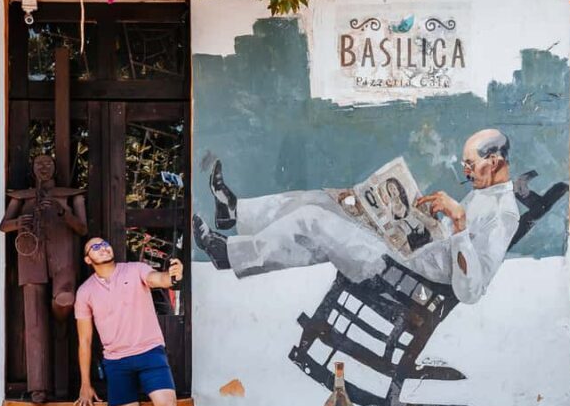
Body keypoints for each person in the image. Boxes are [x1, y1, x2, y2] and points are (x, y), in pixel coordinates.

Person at [193, 128, 520, 304]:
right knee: (332, 199)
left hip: (400, 275)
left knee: (313, 219)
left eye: (470, 164)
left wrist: (459, 223)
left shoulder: (503, 214)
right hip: (402, 252)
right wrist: (418, 215)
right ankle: (236, 212)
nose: (465, 171)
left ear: (493, 162)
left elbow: (471, 292)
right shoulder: (483, 193)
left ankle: (229, 255)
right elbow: (445, 241)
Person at [73, 237, 183, 406]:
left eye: (105, 244)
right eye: (95, 247)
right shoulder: (85, 292)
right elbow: (85, 341)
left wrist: (173, 275)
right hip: (116, 361)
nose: (103, 248)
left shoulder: (135, 270)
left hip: (149, 352)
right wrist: (85, 384)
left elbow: (160, 279)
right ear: (88, 260)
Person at [0, 154, 87, 404]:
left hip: (63, 257)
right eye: (39, 164)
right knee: (33, 319)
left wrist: (62, 212)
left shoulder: (70, 195)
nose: (44, 167)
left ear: (56, 169)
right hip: (31, 256)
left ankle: (60, 318)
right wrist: (18, 222)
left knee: (65, 298)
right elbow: (4, 226)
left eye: (48, 163)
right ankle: (38, 387)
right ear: (32, 170)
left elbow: (82, 228)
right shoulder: (21, 196)